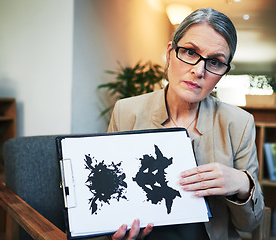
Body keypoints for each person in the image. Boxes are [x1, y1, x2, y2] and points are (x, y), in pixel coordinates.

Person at [107, 7, 265, 240]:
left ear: (223, 72)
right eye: (190, 52)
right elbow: (112, 198)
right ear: (170, 53)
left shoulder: (239, 124)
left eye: (215, 62)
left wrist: (242, 184)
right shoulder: (126, 111)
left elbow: (248, 225)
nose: (199, 71)